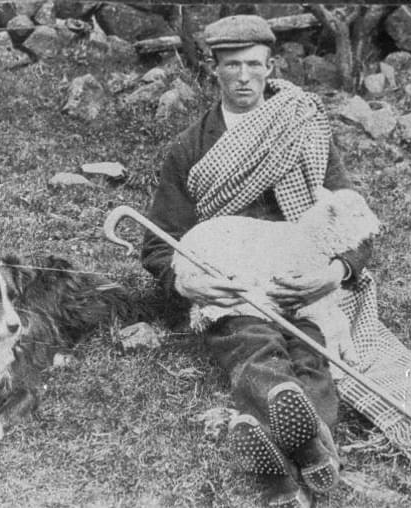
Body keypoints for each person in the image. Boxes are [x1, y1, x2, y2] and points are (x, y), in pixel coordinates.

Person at [141, 14, 372, 508]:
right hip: (236, 287)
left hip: (302, 281)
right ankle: (306, 458)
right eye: (232, 66)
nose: (244, 77)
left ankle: (281, 463)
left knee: (313, 355)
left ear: (272, 67)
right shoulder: (189, 149)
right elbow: (160, 244)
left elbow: (351, 219)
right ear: (212, 70)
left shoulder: (304, 127)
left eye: (254, 65)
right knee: (254, 345)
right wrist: (187, 286)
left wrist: (332, 274)